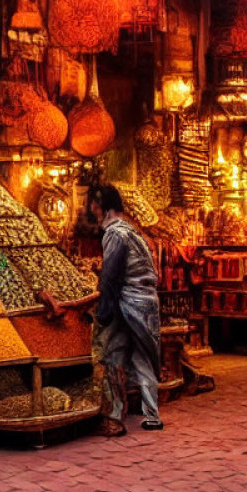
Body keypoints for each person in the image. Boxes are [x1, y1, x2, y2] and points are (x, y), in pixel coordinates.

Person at [90, 184, 165, 437]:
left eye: (92, 205)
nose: (91, 209)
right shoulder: (133, 232)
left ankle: (114, 416)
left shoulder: (114, 234)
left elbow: (110, 277)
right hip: (147, 300)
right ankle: (151, 416)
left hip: (129, 302)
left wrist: (102, 313)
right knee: (143, 359)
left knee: (112, 355)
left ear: (100, 207)